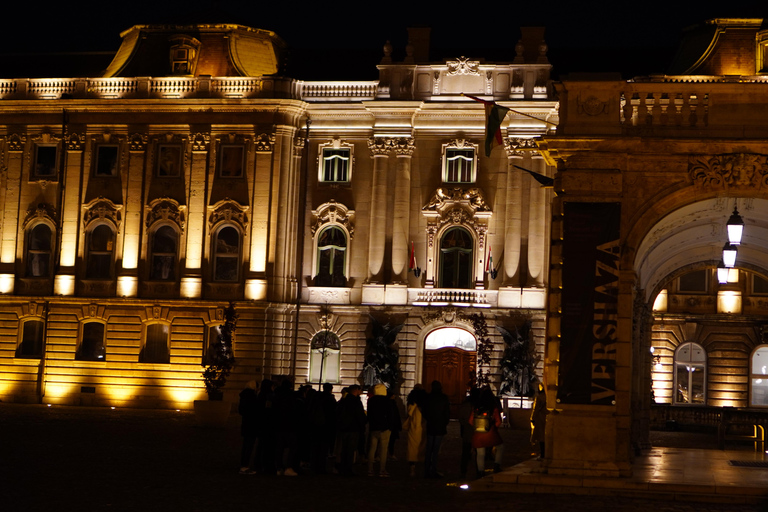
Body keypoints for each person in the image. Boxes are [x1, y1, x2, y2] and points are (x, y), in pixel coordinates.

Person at [469, 386, 504, 477]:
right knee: (500, 447)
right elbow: (499, 421)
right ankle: (496, 466)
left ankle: (480, 471)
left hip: (478, 433)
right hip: (490, 432)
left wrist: (477, 426)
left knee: (480, 453)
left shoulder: (476, 408)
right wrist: (493, 428)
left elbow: (470, 421)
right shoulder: (493, 408)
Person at [336, 384, 367, 475]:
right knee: (350, 450)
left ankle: (342, 467)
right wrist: (363, 423)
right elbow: (360, 415)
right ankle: (348, 468)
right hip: (353, 428)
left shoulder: (344, 400)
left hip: (344, 428)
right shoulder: (356, 401)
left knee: (344, 449)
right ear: (356, 390)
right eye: (359, 390)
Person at [423, 380, 450, 478]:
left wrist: (429, 419)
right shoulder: (443, 398)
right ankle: (433, 469)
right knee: (436, 449)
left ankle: (426, 470)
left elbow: (424, 412)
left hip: (431, 425)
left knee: (429, 449)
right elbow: (447, 413)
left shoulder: (428, 398)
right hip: (440, 426)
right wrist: (444, 422)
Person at [366, 383, 392, 477]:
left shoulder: (371, 400)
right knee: (383, 449)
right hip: (385, 428)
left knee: (372, 448)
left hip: (374, 427)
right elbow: (390, 415)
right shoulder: (387, 401)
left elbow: (369, 414)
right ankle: (382, 470)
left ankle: (370, 469)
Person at [403, 384, 427, 477]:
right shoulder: (425, 402)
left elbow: (409, 412)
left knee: (412, 446)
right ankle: (422, 462)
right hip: (423, 425)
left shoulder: (412, 401)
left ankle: (412, 466)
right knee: (422, 445)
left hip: (414, 425)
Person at [238, 380, 259, 474]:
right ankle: (245, 466)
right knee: (249, 446)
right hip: (252, 425)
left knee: (245, 445)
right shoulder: (253, 397)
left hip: (246, 423)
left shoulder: (243, 396)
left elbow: (241, 410)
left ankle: (243, 465)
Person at [458, 388, 479, 479]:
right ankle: (479, 471)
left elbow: (461, 418)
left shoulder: (465, 404)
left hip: (467, 431)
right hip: (478, 432)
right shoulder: (479, 405)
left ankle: (463, 471)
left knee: (465, 453)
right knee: (479, 453)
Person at [530, 382, 547, 460]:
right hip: (547, 418)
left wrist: (532, 418)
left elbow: (535, 409)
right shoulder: (548, 397)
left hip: (540, 419)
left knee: (541, 437)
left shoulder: (539, 398)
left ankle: (542, 454)